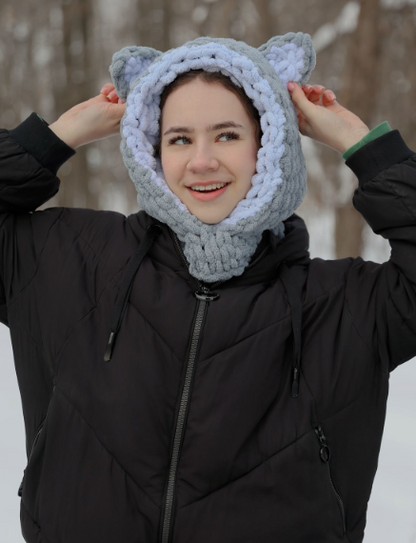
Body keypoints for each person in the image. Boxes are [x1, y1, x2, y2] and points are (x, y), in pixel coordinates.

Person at [0, 32, 415, 543]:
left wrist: (364, 145)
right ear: (152, 150)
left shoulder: (344, 307)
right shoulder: (70, 260)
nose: (201, 161)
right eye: (178, 138)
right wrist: (55, 137)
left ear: (270, 143)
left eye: (226, 135)